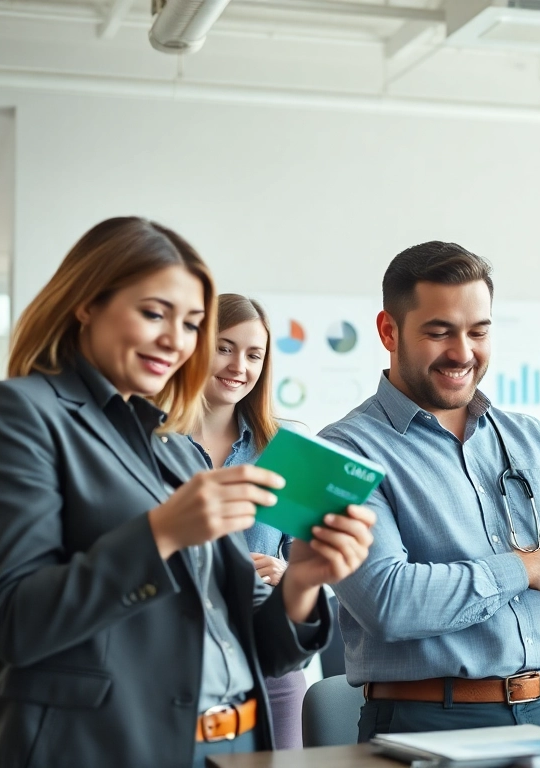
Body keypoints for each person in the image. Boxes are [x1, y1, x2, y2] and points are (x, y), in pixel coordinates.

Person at [0, 217, 375, 768]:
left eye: (190, 324)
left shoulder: (175, 450)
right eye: (154, 313)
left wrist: (302, 579)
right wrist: (161, 533)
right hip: (94, 749)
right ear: (87, 303)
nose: (174, 340)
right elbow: (13, 622)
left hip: (224, 748)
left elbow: (259, 643)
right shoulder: (16, 414)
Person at [318, 241, 540, 740]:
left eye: (478, 331)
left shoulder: (530, 438)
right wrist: (521, 568)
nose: (463, 352)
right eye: (439, 332)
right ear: (388, 331)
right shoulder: (339, 453)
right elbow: (388, 602)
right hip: (426, 725)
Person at [188, 293, 307, 750]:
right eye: (225, 347)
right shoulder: (152, 442)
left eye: (254, 354)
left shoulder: (286, 448)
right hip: (178, 666)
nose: (239, 365)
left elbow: (322, 561)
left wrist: (292, 576)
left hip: (269, 663)